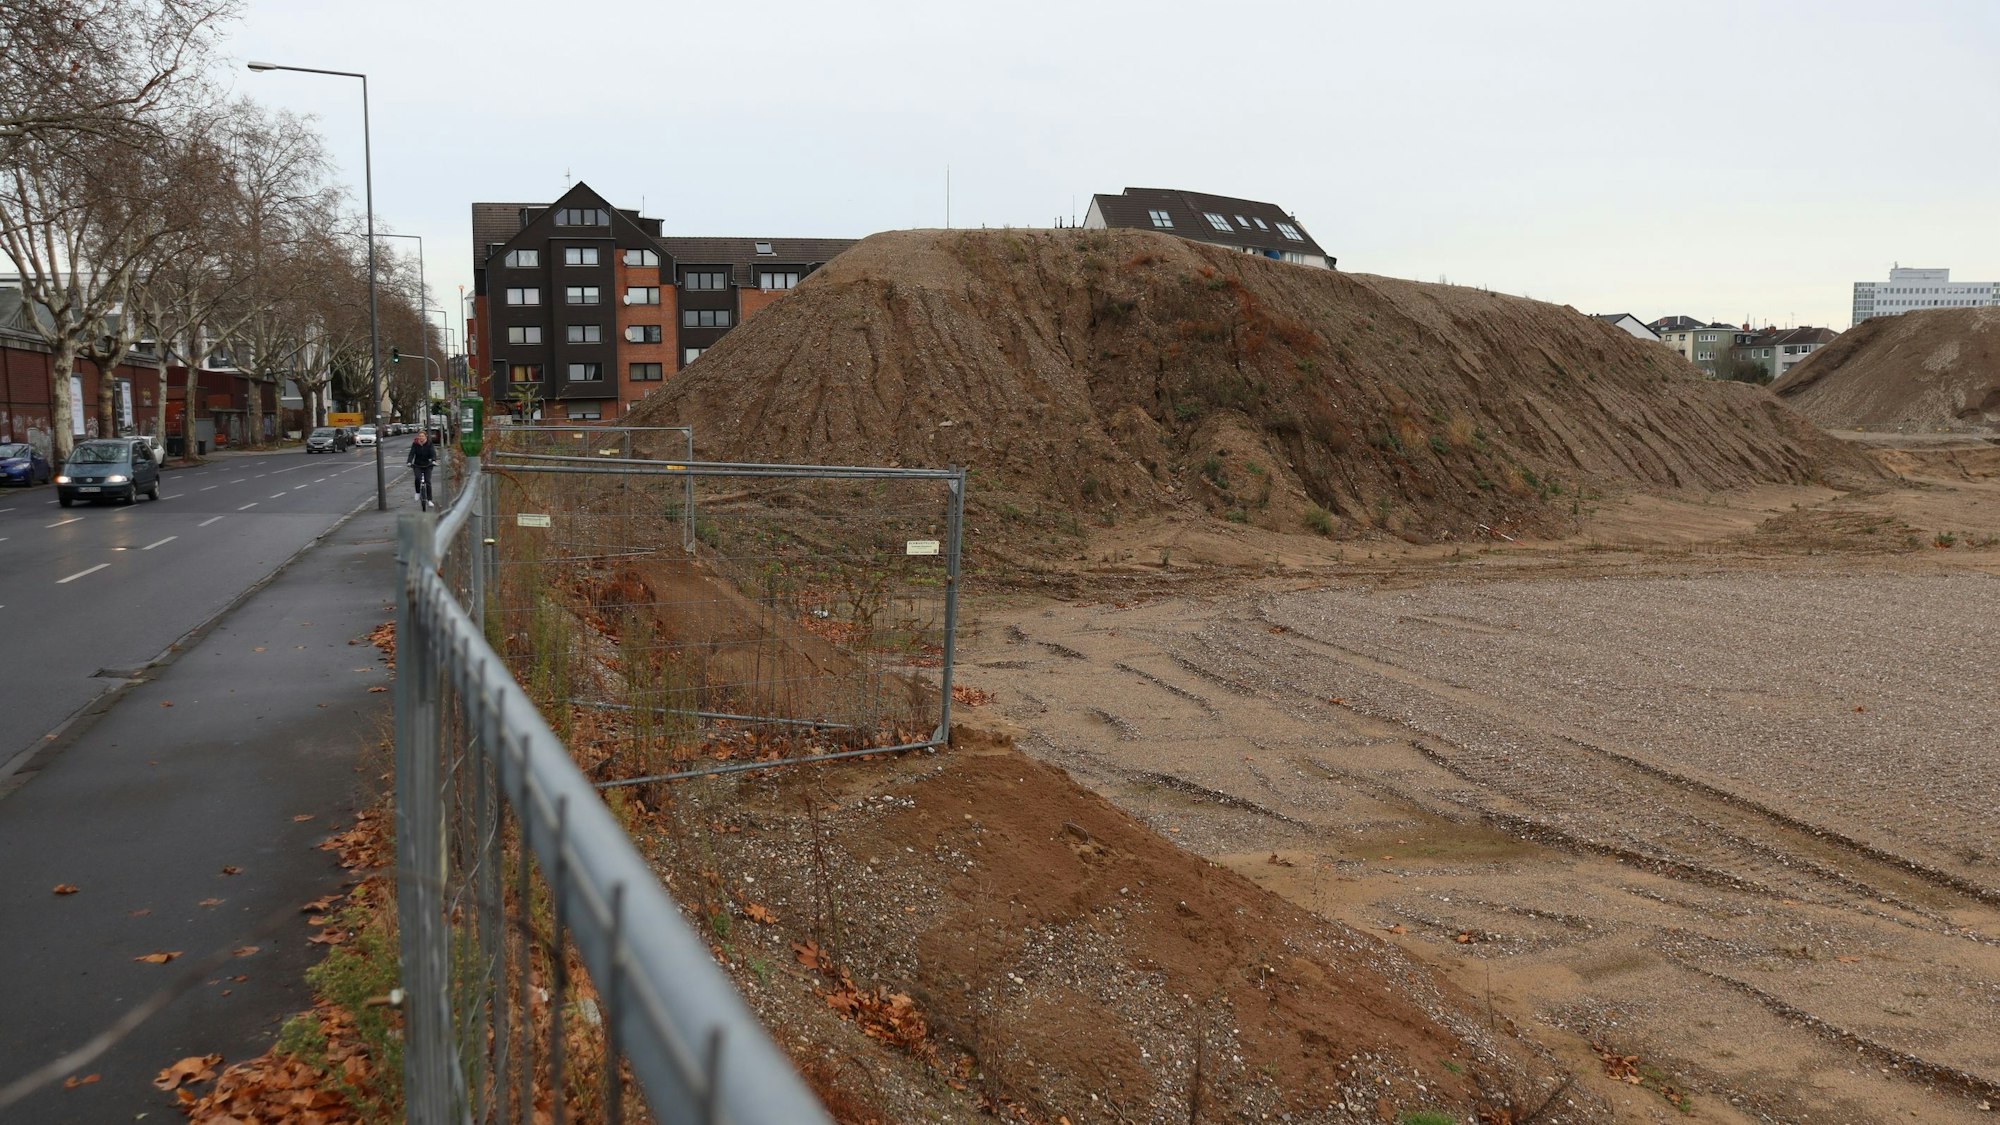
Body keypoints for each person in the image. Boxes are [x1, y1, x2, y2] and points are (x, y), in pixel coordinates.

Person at [406, 428, 438, 509]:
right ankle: (417, 492)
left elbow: (433, 452)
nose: (421, 437)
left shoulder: (429, 444)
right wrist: (409, 462)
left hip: (427, 465)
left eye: (422, 436)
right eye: (420, 436)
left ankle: (429, 500)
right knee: (417, 478)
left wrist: (433, 460)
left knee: (428, 482)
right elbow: (411, 453)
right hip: (417, 465)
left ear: (425, 437)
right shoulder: (415, 444)